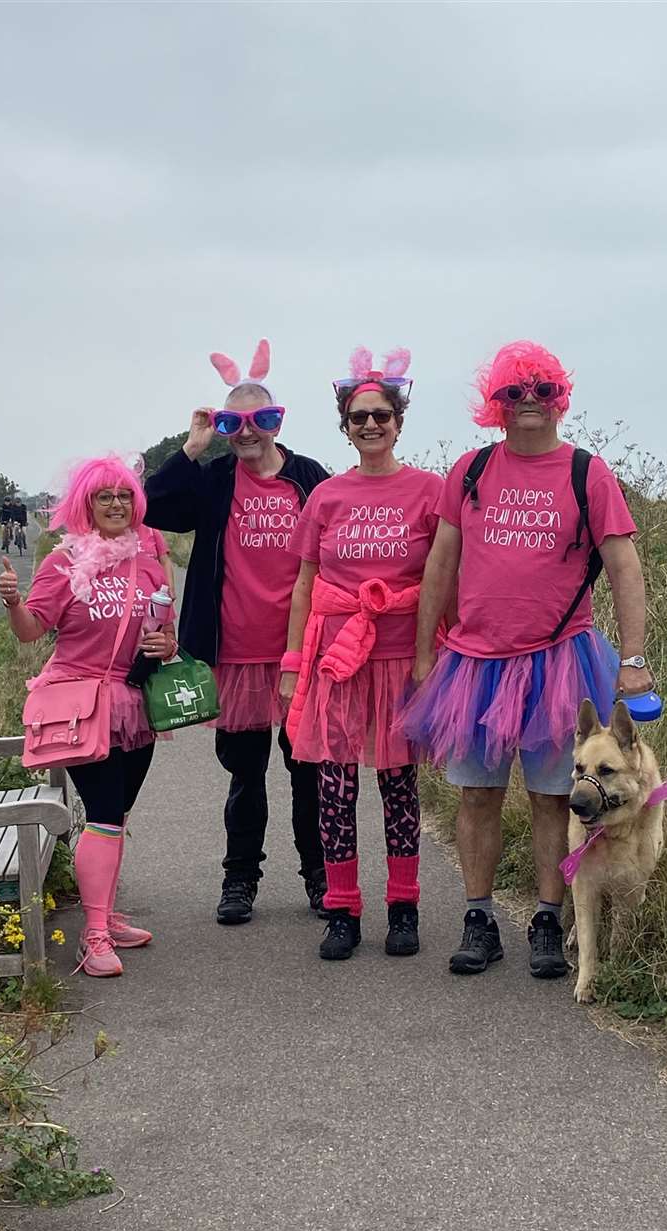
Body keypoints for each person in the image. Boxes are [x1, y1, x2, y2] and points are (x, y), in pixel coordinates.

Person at [401, 341, 653, 979]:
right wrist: (425, 650)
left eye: (541, 390)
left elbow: (623, 565)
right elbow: (441, 563)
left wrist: (633, 658)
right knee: (477, 796)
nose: (528, 403)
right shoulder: (473, 469)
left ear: (559, 397)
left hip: (561, 661)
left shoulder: (587, 473)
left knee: (551, 799)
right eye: (514, 392)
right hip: (474, 667)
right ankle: (479, 919)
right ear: (496, 404)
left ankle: (547, 919)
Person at [144, 340, 328, 925]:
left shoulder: (308, 479)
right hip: (233, 654)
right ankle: (240, 879)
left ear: (276, 421)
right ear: (223, 427)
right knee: (244, 775)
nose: (248, 433)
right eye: (234, 423)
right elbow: (155, 508)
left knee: (308, 772)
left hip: (300, 652)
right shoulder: (214, 479)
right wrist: (190, 449)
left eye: (260, 420)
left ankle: (320, 880)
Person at [282, 347, 442, 961]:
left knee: (399, 787)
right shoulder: (325, 497)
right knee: (335, 788)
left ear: (399, 422)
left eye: (380, 415)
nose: (370, 425)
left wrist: (439, 659)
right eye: (358, 417)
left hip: (402, 660)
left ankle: (404, 907)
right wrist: (292, 667)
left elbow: (444, 579)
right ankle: (343, 910)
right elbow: (304, 586)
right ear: (344, 428)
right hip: (337, 661)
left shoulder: (429, 492)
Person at [0, 455, 175, 977]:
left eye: (124, 496)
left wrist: (165, 644)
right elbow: (32, 630)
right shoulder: (63, 563)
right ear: (86, 505)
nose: (117, 505)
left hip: (133, 704)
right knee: (101, 812)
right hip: (78, 703)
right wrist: (12, 603)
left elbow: (166, 636)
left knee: (116, 815)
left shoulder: (148, 562)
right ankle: (92, 936)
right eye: (105, 497)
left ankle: (106, 914)